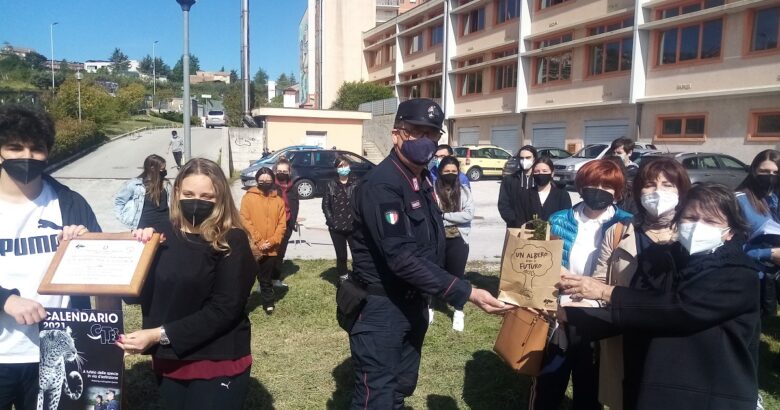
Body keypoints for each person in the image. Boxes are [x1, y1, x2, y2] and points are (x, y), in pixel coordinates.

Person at [345, 98, 512, 408]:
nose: (425, 141)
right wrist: (466, 291)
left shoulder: (421, 181)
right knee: (376, 397)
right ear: (396, 135)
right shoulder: (383, 185)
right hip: (381, 310)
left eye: (432, 134)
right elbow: (401, 257)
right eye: (415, 132)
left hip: (412, 304)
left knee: (401, 387)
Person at [561, 183, 761, 410]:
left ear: (730, 231)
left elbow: (677, 310)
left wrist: (605, 291)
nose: (697, 227)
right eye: (691, 217)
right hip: (653, 386)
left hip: (707, 394)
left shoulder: (737, 274)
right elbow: (638, 311)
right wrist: (566, 313)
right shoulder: (667, 261)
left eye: (710, 221)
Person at [118, 158, 256, 410]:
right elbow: (134, 296)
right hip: (170, 360)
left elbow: (225, 309)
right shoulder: (159, 233)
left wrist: (158, 335)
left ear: (220, 198)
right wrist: (136, 255)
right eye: (189, 193)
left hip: (216, 360)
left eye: (207, 196)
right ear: (177, 192)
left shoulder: (231, 240)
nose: (196, 201)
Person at [0, 105, 100, 410]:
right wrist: (6, 300)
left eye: (37, 148)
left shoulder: (71, 203)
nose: (26, 156)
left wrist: (84, 247)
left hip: (53, 354)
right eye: (15, 147)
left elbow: (103, 271)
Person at [529, 159, 632, 410]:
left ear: (617, 192)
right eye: (591, 184)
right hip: (560, 315)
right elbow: (540, 264)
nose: (597, 190)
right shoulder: (559, 220)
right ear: (581, 186)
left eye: (606, 186)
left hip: (599, 319)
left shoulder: (626, 224)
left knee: (591, 391)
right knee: (549, 384)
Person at [588, 156, 690, 409]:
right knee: (628, 395)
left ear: (682, 190)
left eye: (667, 185)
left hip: (676, 336)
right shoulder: (619, 230)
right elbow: (600, 279)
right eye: (649, 185)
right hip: (626, 335)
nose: (657, 192)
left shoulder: (693, 234)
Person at [736, 149, 780, 317]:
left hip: (772, 274)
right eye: (764, 171)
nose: (770, 176)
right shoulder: (738, 201)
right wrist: (770, 253)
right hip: (751, 276)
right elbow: (731, 250)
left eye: (776, 172)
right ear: (753, 170)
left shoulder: (773, 198)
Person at [433, 155, 475, 331]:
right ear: (440, 172)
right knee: (434, 273)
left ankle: (458, 310)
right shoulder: (432, 190)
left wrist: (444, 216)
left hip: (458, 238)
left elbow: (468, 214)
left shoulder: (464, 190)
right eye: (446, 171)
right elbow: (432, 215)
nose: (450, 174)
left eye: (453, 171)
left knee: (457, 276)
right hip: (438, 239)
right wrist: (451, 217)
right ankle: (430, 305)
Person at [240, 167, 287, 314]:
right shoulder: (248, 197)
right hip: (253, 246)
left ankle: (268, 302)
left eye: (268, 180)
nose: (265, 182)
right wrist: (259, 241)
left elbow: (282, 224)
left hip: (271, 248)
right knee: (247, 277)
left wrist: (272, 241)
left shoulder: (278, 200)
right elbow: (244, 220)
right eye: (261, 180)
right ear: (257, 180)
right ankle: (241, 303)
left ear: (273, 180)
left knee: (265, 278)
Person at [322, 156, 359, 282]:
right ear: (336, 169)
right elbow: (325, 205)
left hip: (354, 226)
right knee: (341, 255)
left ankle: (359, 276)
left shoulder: (356, 182)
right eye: (340, 166)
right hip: (337, 228)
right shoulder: (331, 184)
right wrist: (331, 221)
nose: (344, 168)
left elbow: (361, 202)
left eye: (346, 165)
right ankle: (343, 279)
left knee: (357, 254)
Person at [113, 154, 171, 230]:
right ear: (152, 168)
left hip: (165, 225)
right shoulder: (135, 184)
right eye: (162, 169)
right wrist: (123, 219)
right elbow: (119, 201)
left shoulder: (166, 184)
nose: (164, 171)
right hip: (143, 227)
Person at [514, 155, 572, 226]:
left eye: (545, 171)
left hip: (554, 235)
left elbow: (566, 221)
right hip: (528, 235)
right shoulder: (524, 194)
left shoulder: (562, 195)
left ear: (552, 173)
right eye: (537, 171)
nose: (540, 174)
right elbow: (519, 219)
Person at [272, 157, 299, 288]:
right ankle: (264, 282)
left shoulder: (292, 187)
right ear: (275, 171)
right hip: (273, 226)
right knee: (269, 254)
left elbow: (295, 205)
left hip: (287, 225)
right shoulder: (270, 186)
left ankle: (276, 279)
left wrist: (293, 221)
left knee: (280, 253)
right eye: (279, 170)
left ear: (289, 172)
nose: (282, 173)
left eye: (285, 171)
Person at [498, 145, 537, 227]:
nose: (524, 160)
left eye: (528, 157)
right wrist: (513, 220)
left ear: (534, 158)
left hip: (538, 229)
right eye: (522, 158)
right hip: (515, 228)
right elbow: (503, 204)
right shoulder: (509, 180)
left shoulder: (539, 180)